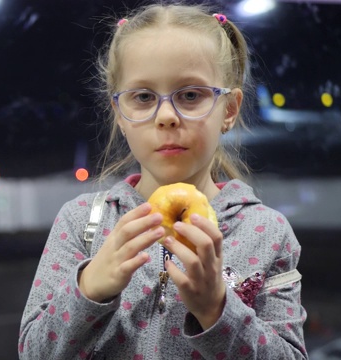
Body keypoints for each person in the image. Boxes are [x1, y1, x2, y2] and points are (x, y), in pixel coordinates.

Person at [19, 3, 307, 359]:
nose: (167, 116)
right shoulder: (82, 222)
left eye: (190, 95)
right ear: (120, 115)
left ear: (229, 109)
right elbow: (34, 353)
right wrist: (90, 288)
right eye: (143, 97)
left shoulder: (267, 233)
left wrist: (217, 309)